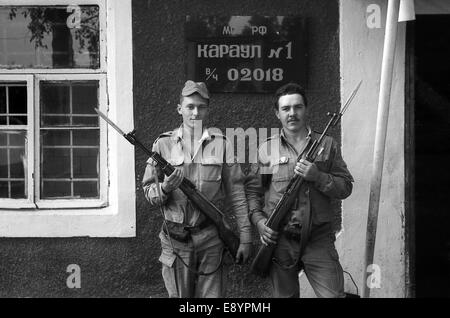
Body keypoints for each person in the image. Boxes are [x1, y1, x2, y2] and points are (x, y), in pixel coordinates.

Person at [142, 80, 252, 298]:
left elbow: (238, 194)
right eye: (190, 106)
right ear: (179, 109)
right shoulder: (162, 145)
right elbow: (149, 192)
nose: (195, 112)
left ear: (208, 110)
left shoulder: (223, 144)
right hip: (175, 240)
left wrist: (246, 237)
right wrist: (164, 188)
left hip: (211, 239)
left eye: (201, 107)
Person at [245, 83, 354, 298]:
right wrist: (259, 222)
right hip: (280, 240)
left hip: (318, 240)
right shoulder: (267, 149)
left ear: (306, 109)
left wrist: (318, 177)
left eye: (297, 107)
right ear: (277, 113)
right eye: (285, 109)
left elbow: (346, 187)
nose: (292, 113)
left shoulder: (328, 145)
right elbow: (253, 192)